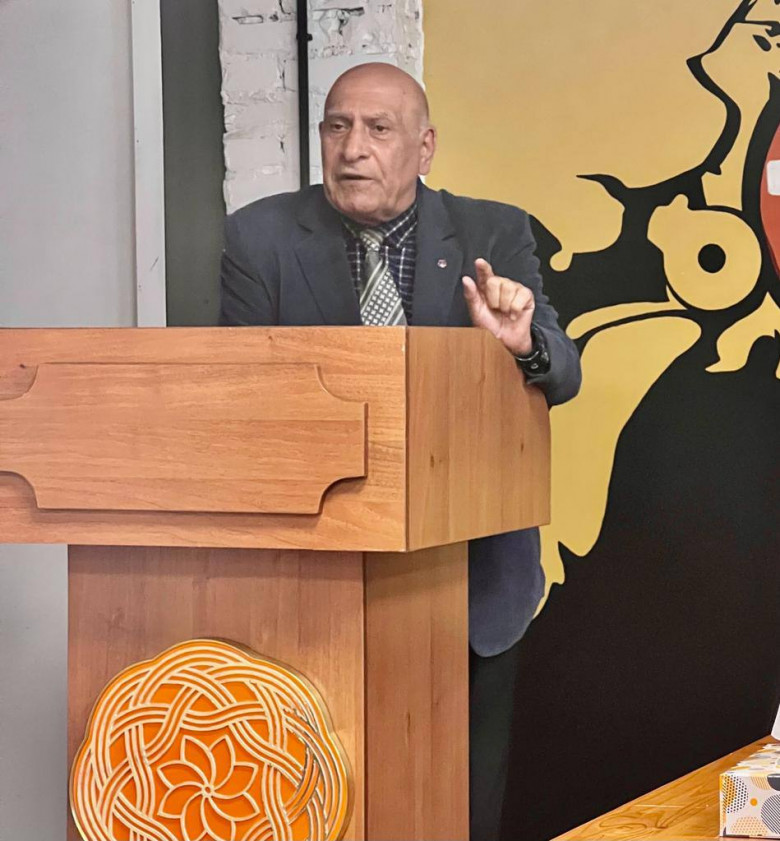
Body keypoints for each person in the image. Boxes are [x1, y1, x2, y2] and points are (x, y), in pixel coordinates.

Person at [219, 61, 581, 841]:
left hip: (473, 587)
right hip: (320, 590)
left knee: (461, 814)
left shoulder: (493, 232)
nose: (353, 147)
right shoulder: (260, 237)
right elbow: (243, 405)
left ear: (425, 147)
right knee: (331, 810)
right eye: (337, 126)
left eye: (378, 129)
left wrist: (520, 343)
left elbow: (563, 371)